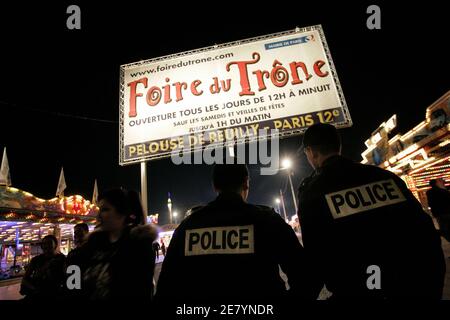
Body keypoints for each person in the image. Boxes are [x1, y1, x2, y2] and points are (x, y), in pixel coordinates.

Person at [297, 123, 446, 299]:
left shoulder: (312, 192)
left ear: (311, 152)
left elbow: (317, 258)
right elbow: (426, 232)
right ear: (338, 146)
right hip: (412, 284)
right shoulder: (385, 176)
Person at [155, 162, 317, 304]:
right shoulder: (268, 220)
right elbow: (306, 278)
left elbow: (165, 289)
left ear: (215, 186)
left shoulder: (188, 226)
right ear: (246, 183)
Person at [80, 188, 158, 301]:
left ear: (122, 213)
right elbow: (74, 274)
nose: (99, 216)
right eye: (100, 210)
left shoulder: (138, 247)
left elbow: (141, 292)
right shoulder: (92, 244)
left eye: (105, 209)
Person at [20, 235, 66, 301]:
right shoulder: (36, 260)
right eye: (44, 244)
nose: (46, 245)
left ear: (55, 245)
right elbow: (25, 278)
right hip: (37, 293)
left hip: (55, 293)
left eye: (49, 243)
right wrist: (34, 289)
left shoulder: (62, 259)